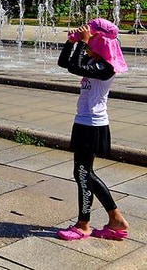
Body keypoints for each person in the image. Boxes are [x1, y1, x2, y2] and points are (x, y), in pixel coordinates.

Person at [56, 17, 130, 241]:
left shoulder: (106, 67)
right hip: (83, 122)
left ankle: (84, 224)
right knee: (83, 173)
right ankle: (114, 219)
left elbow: (75, 66)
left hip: (93, 124)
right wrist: (71, 42)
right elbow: (65, 64)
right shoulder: (92, 61)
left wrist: (81, 43)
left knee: (83, 173)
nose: (88, 45)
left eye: (91, 40)